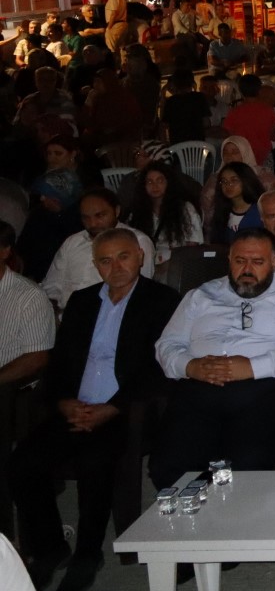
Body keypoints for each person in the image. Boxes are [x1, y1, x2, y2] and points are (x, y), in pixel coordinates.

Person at [6, 228, 174, 590]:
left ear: (140, 257)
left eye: (124, 257)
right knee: (22, 463)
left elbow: (157, 368)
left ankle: (87, 553)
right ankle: (49, 548)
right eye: (105, 260)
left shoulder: (161, 301)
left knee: (95, 462)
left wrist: (112, 408)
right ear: (96, 265)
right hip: (76, 408)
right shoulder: (82, 302)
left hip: (124, 412)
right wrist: (64, 402)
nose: (116, 267)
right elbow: (61, 362)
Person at [148, 227, 275, 486]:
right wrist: (190, 366)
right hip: (199, 386)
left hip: (257, 389)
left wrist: (252, 367)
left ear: (274, 262)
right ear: (229, 260)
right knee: (167, 467)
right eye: (240, 261)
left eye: (258, 262)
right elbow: (167, 344)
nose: (247, 269)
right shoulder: (202, 295)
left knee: (246, 470)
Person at [40, 188, 156, 311]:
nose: (93, 223)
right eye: (86, 218)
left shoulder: (137, 242)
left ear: (116, 211)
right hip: (64, 316)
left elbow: (138, 293)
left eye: (100, 216)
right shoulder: (73, 242)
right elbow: (52, 285)